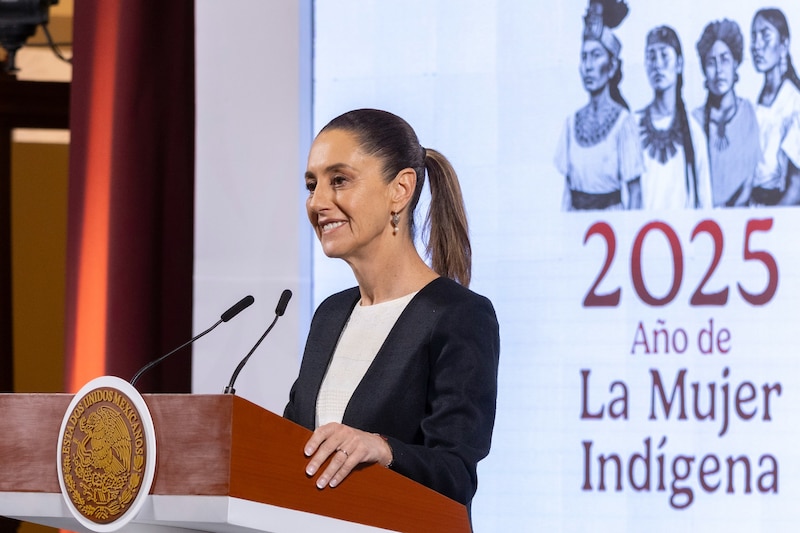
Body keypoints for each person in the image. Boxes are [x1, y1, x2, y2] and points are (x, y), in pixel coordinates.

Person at [283, 109, 500, 510]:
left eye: (340, 181)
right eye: (311, 185)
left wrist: (382, 449)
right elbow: (294, 448)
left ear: (400, 189)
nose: (318, 202)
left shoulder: (460, 316)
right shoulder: (330, 315)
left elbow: (455, 475)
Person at [554, 0, 643, 210]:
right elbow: (567, 191)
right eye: (584, 57)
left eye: (596, 56)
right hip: (576, 228)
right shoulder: (571, 123)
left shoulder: (624, 122)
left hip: (612, 226)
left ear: (611, 67)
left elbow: (635, 193)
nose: (589, 66)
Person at [638, 26, 712, 210]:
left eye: (664, 55)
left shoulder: (694, 133)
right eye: (651, 57)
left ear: (679, 64)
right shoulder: (632, 126)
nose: (657, 64)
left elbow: (704, 204)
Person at [693, 19, 761, 207]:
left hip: (743, 218)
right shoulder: (694, 121)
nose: (719, 71)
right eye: (711, 63)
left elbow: (751, 178)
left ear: (735, 63)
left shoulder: (751, 114)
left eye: (725, 60)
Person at [749, 8, 800, 206]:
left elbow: (795, 188)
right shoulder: (757, 103)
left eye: (765, 36)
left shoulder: (794, 103)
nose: (757, 46)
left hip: (780, 214)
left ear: (784, 45)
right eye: (754, 37)